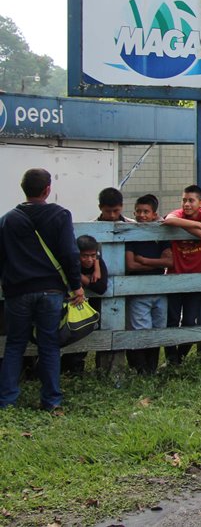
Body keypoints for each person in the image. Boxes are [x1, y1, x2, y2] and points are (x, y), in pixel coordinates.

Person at [0, 168, 85, 411]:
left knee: (15, 344)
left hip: (17, 290)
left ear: (23, 188)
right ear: (47, 190)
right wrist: (76, 285)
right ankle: (51, 400)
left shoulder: (8, 219)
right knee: (49, 345)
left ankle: (6, 401)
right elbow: (70, 253)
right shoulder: (59, 215)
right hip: (51, 290)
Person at [162, 185, 201, 362]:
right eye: (184, 200)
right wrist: (197, 226)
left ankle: (180, 357)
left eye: (191, 200)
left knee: (189, 321)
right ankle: (171, 358)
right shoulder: (177, 213)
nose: (186, 204)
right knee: (171, 320)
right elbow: (169, 220)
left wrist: (189, 226)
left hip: (197, 279)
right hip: (174, 277)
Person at [125, 194, 172, 373]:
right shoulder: (131, 235)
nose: (142, 215)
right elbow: (131, 264)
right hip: (138, 289)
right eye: (139, 211)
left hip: (159, 289)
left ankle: (151, 369)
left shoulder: (160, 234)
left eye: (146, 212)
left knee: (158, 328)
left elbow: (170, 261)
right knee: (140, 329)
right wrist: (156, 261)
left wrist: (144, 260)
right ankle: (141, 370)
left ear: (154, 214)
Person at [61, 235, 109, 375]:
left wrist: (79, 278)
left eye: (92, 255)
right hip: (68, 310)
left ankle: (75, 369)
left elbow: (101, 288)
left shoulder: (98, 264)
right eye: (84, 256)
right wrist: (82, 277)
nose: (89, 260)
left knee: (82, 338)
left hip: (88, 312)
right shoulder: (69, 263)